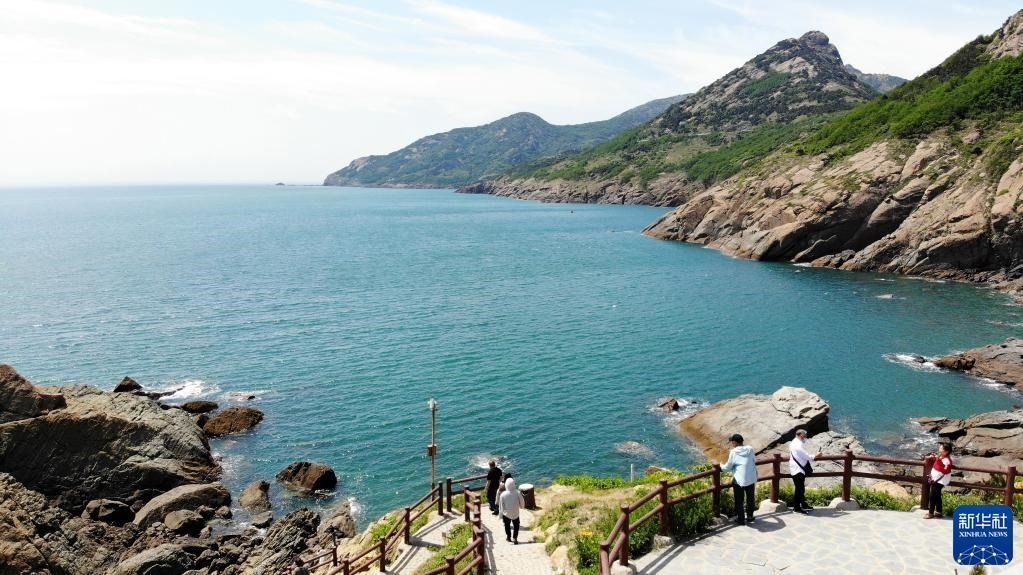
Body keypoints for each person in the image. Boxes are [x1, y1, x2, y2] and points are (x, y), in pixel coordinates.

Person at [720, 433, 758, 525]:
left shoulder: (734, 452)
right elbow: (754, 460)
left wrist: (721, 466)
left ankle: (741, 519)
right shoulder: (750, 449)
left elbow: (728, 467)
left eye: (732, 442)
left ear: (734, 442)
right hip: (751, 478)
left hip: (739, 480)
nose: (732, 444)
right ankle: (750, 516)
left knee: (739, 500)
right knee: (750, 498)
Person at [789, 428, 820, 514]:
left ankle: (803, 504)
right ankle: (797, 508)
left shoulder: (794, 442)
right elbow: (807, 457)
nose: (806, 436)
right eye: (804, 435)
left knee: (801, 489)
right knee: (799, 490)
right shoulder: (797, 445)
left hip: (797, 468)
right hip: (798, 470)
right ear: (800, 435)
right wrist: (816, 455)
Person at [925, 442, 953, 519]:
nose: (939, 448)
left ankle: (930, 513)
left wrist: (938, 460)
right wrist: (934, 458)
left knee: (932, 496)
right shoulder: (941, 456)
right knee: (937, 496)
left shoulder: (947, 460)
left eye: (941, 448)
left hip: (939, 481)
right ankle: (938, 512)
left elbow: (946, 470)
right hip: (936, 480)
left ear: (946, 451)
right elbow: (939, 462)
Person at [498, 477, 526, 544]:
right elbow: (522, 502)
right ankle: (515, 538)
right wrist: (522, 507)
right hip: (515, 512)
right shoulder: (518, 492)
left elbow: (501, 506)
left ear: (506, 485)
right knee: (516, 525)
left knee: (507, 526)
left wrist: (501, 515)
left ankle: (508, 537)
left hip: (506, 514)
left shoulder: (503, 494)